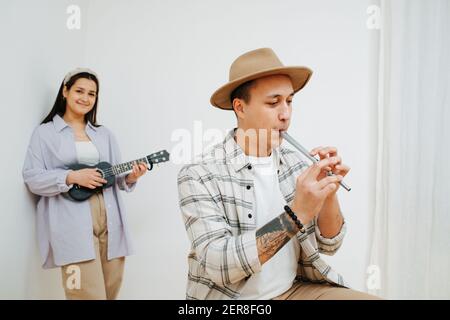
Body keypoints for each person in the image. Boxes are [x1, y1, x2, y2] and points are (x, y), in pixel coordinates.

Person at [177, 48, 380, 300]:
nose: (285, 114)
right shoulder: (199, 174)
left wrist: (329, 191)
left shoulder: (296, 164)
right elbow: (221, 266)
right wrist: (296, 215)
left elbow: (330, 244)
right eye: (273, 103)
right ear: (240, 108)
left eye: (290, 101)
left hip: (292, 290)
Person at [22, 68, 148, 299]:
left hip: (110, 221)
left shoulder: (105, 135)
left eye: (92, 94)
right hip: (71, 223)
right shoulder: (45, 133)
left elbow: (114, 177)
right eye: (79, 91)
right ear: (65, 91)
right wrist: (70, 177)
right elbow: (32, 177)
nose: (85, 98)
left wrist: (131, 177)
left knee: (110, 293)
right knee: (84, 294)